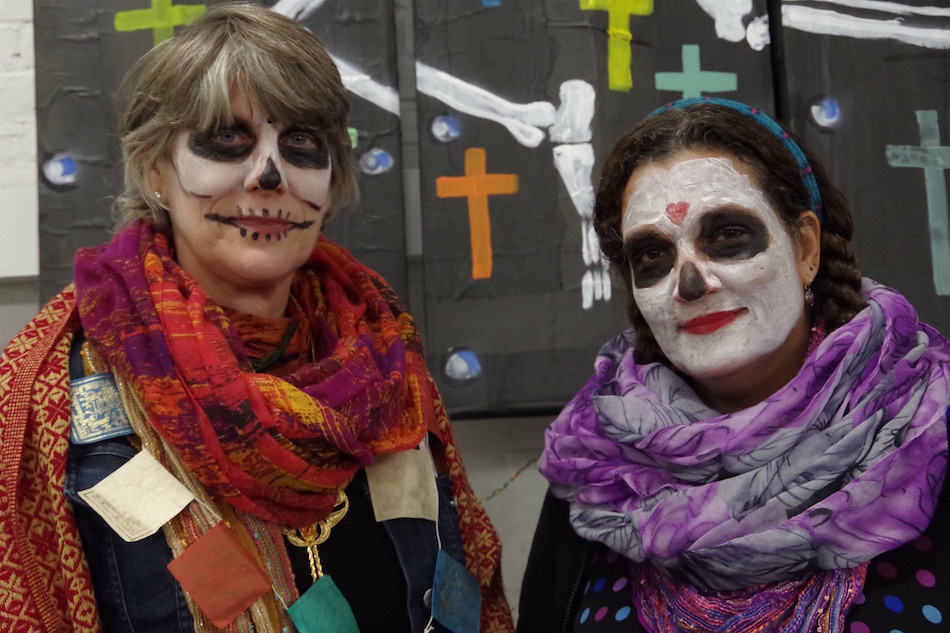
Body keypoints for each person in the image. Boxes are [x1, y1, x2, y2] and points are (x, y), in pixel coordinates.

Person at [0, 4, 513, 632]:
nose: (269, 175)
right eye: (226, 140)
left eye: (301, 143)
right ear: (156, 168)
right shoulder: (47, 399)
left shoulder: (386, 365)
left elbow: (470, 587)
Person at [518, 97, 950, 632]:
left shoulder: (928, 430)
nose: (690, 282)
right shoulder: (600, 467)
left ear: (805, 249)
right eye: (652, 256)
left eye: (726, 235)